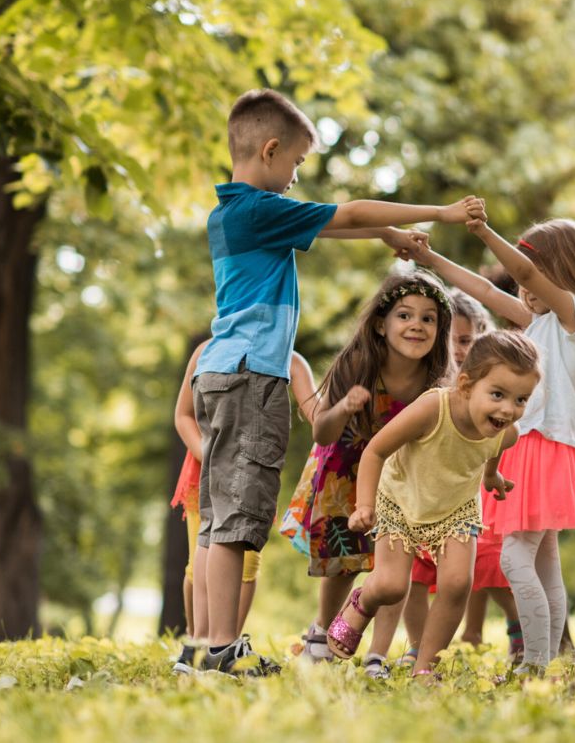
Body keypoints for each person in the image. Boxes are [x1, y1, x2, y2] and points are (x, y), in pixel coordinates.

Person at [192, 87, 483, 674]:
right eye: (297, 162)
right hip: (252, 377)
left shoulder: (232, 214)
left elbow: (338, 225)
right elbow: (346, 213)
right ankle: (220, 649)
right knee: (239, 520)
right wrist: (441, 214)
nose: (298, 176)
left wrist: (385, 237)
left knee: (220, 518)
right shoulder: (257, 209)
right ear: (270, 150)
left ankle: (206, 645)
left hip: (223, 372)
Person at [411, 217, 575, 673]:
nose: (524, 289)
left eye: (536, 273)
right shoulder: (542, 322)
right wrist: (430, 260)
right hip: (538, 449)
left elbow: (522, 274)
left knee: (514, 555)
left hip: (540, 448)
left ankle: (534, 664)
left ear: (562, 272)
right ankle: (546, 660)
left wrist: (483, 230)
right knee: (545, 564)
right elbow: (487, 293)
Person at [325, 332, 542, 677]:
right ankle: (362, 600)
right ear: (467, 385)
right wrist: (364, 505)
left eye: (521, 399)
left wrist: (491, 476)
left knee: (457, 584)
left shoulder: (507, 431)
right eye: (498, 395)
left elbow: (494, 449)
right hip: (401, 500)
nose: (508, 409)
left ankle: (425, 668)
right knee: (392, 585)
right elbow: (376, 450)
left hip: (456, 509)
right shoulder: (433, 407)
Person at [277, 270, 453, 678]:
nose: (417, 326)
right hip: (345, 469)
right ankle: (321, 633)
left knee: (394, 565)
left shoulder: (436, 380)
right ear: (381, 323)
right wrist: (343, 407)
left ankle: (377, 654)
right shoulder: (358, 363)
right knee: (345, 560)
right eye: (405, 315)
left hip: (400, 477)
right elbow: (322, 430)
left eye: (429, 319)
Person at [171, 341, 317, 674]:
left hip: (250, 475)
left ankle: (226, 644)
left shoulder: (289, 360)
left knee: (246, 561)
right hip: (203, 476)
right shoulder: (206, 351)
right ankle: (197, 643)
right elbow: (183, 416)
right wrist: (211, 459)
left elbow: (316, 410)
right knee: (199, 564)